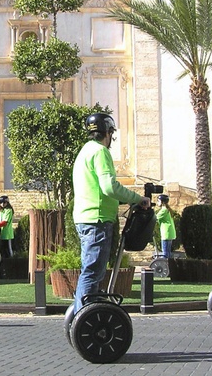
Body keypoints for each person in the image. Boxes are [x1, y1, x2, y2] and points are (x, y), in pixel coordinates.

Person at [72, 113, 149, 315]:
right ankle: (84, 318)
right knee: (92, 273)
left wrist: (126, 199)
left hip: (85, 217)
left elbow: (100, 189)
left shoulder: (85, 151)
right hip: (97, 219)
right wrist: (137, 198)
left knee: (89, 271)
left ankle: (82, 315)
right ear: (108, 132)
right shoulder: (100, 152)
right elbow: (109, 187)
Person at [156, 194, 176, 259]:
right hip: (169, 233)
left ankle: (166, 267)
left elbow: (155, 218)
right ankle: (169, 267)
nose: (157, 202)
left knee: (165, 254)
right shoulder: (167, 209)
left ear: (162, 202)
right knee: (168, 252)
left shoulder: (163, 210)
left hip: (166, 234)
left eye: (158, 201)